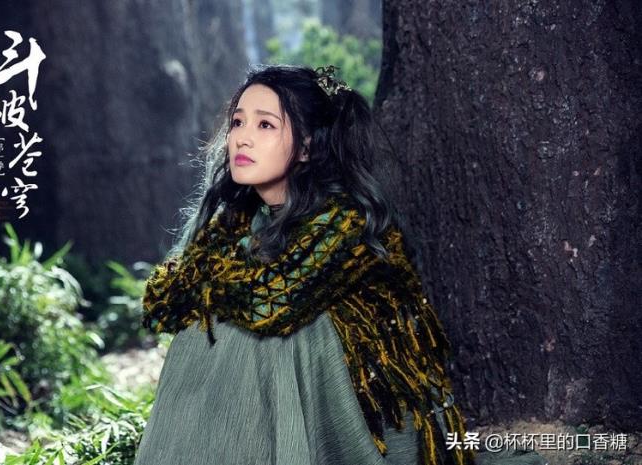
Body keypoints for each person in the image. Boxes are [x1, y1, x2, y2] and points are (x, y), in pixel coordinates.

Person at [134, 64, 546, 465]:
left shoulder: (344, 217)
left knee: (263, 330)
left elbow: (268, 305)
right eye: (238, 122)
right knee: (207, 324)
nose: (242, 138)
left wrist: (208, 282)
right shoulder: (241, 217)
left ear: (307, 147)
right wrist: (211, 286)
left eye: (265, 125)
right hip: (299, 391)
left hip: (372, 415)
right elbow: (162, 301)